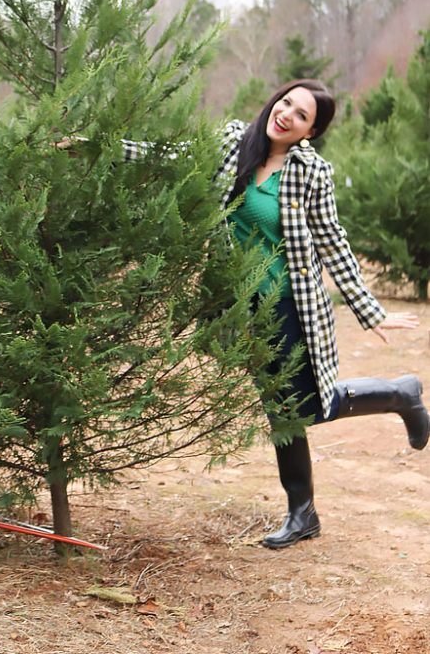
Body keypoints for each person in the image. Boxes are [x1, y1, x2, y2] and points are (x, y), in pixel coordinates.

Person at [112, 79, 428, 548]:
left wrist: (370, 310)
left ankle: (390, 407)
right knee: (287, 407)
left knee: (292, 409)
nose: (286, 115)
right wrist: (100, 147)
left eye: (301, 115)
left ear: (310, 131)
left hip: (287, 303)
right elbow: (169, 153)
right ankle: (392, 402)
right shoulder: (232, 143)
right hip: (241, 304)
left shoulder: (310, 172)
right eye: (286, 103)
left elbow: (332, 242)